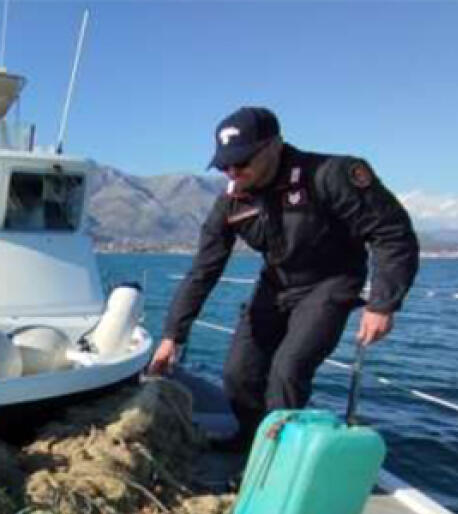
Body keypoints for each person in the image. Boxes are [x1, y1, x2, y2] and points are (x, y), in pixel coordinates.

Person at [148, 107, 419, 451]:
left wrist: (383, 303)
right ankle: (250, 440)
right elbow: (204, 270)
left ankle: (277, 459)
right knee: (238, 373)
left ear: (274, 145)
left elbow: (393, 234)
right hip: (277, 284)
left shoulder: (331, 175)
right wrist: (173, 336)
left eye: (241, 162)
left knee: (287, 371)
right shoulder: (231, 203)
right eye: (224, 165)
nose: (233, 172)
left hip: (330, 283)